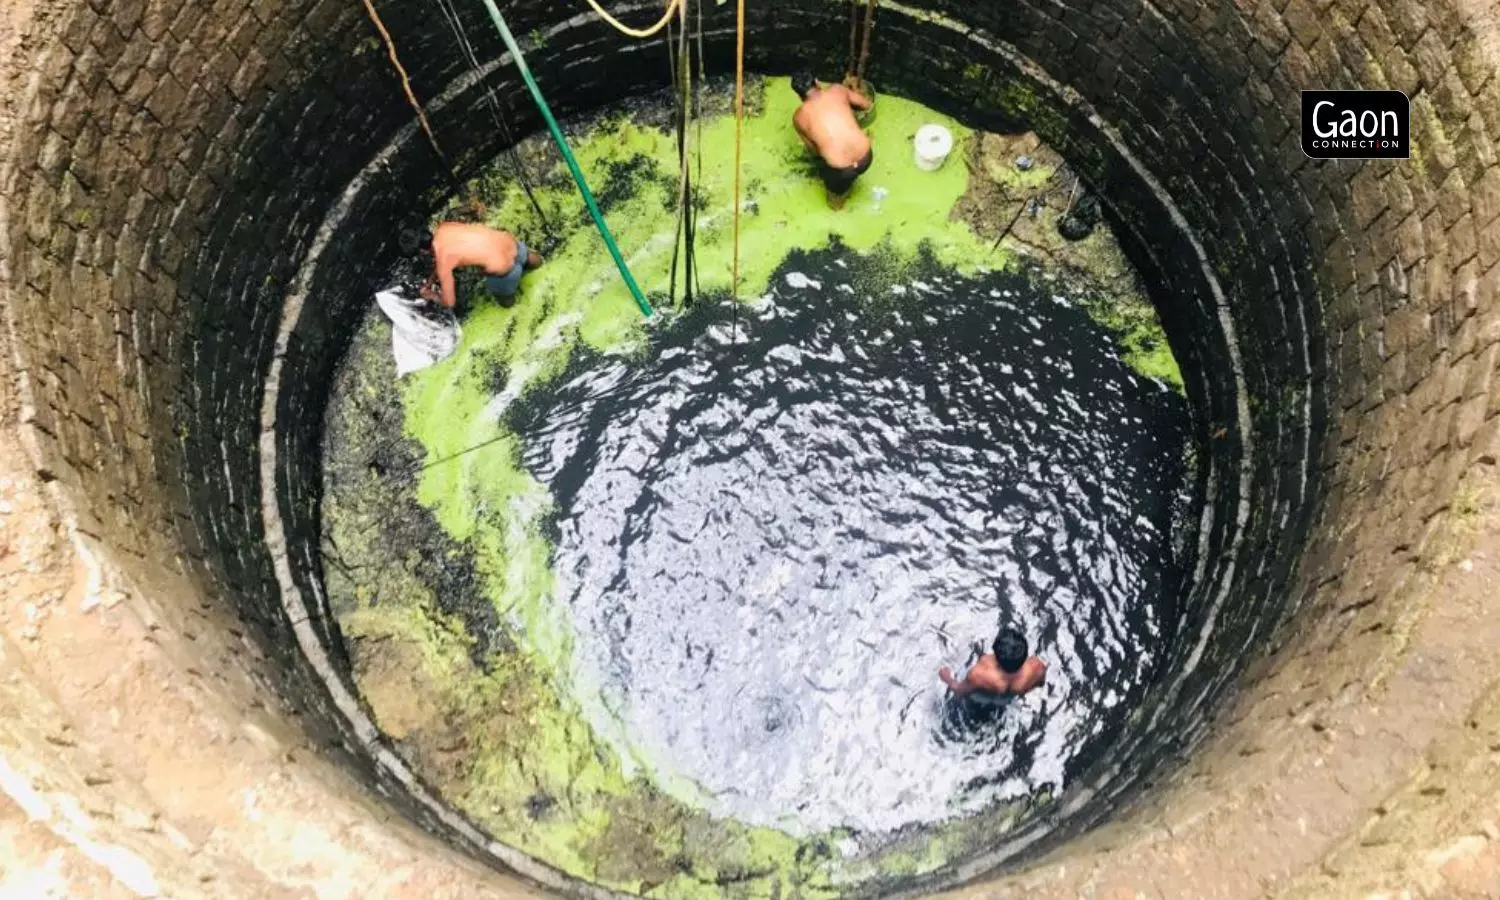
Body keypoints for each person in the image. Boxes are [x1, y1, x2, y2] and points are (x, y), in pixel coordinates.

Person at [413, 222, 543, 309]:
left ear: (422, 251)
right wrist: (430, 282)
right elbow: (445, 256)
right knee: (536, 264)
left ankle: (519, 308)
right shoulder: (444, 227)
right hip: (514, 246)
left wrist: (432, 295)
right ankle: (542, 264)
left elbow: (449, 302)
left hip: (506, 272)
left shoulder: (443, 262)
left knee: (507, 304)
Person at [790, 74, 873, 209]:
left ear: (798, 96)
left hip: (842, 171)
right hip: (866, 157)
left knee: (834, 202)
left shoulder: (799, 117)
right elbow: (866, 104)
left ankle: (838, 207)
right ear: (817, 82)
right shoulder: (837, 90)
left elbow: (813, 151)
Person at [939, 627, 1047, 698]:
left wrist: (947, 678)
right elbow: (1041, 683)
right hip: (1011, 697)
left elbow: (959, 691)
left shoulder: (979, 675)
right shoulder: (1036, 667)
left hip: (983, 698)